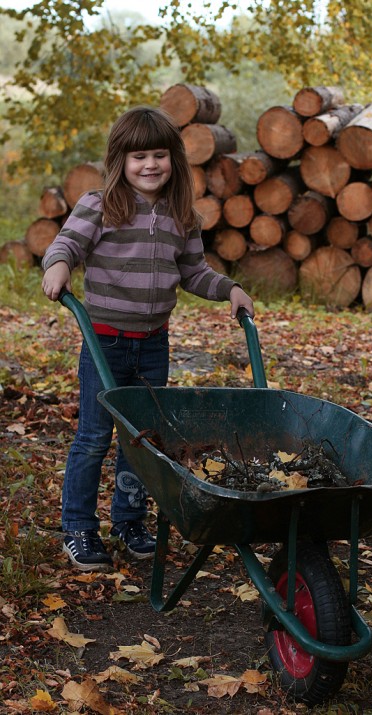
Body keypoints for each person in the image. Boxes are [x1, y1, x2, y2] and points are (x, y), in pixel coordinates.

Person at [42, 106, 254, 572]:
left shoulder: (182, 214)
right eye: (140, 156)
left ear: (174, 160)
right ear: (121, 160)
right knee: (95, 437)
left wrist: (229, 288)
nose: (151, 165)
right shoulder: (99, 205)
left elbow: (194, 271)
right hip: (104, 344)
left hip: (154, 344)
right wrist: (57, 265)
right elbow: (66, 246)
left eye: (160, 155)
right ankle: (78, 527)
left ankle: (129, 521)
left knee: (141, 441)